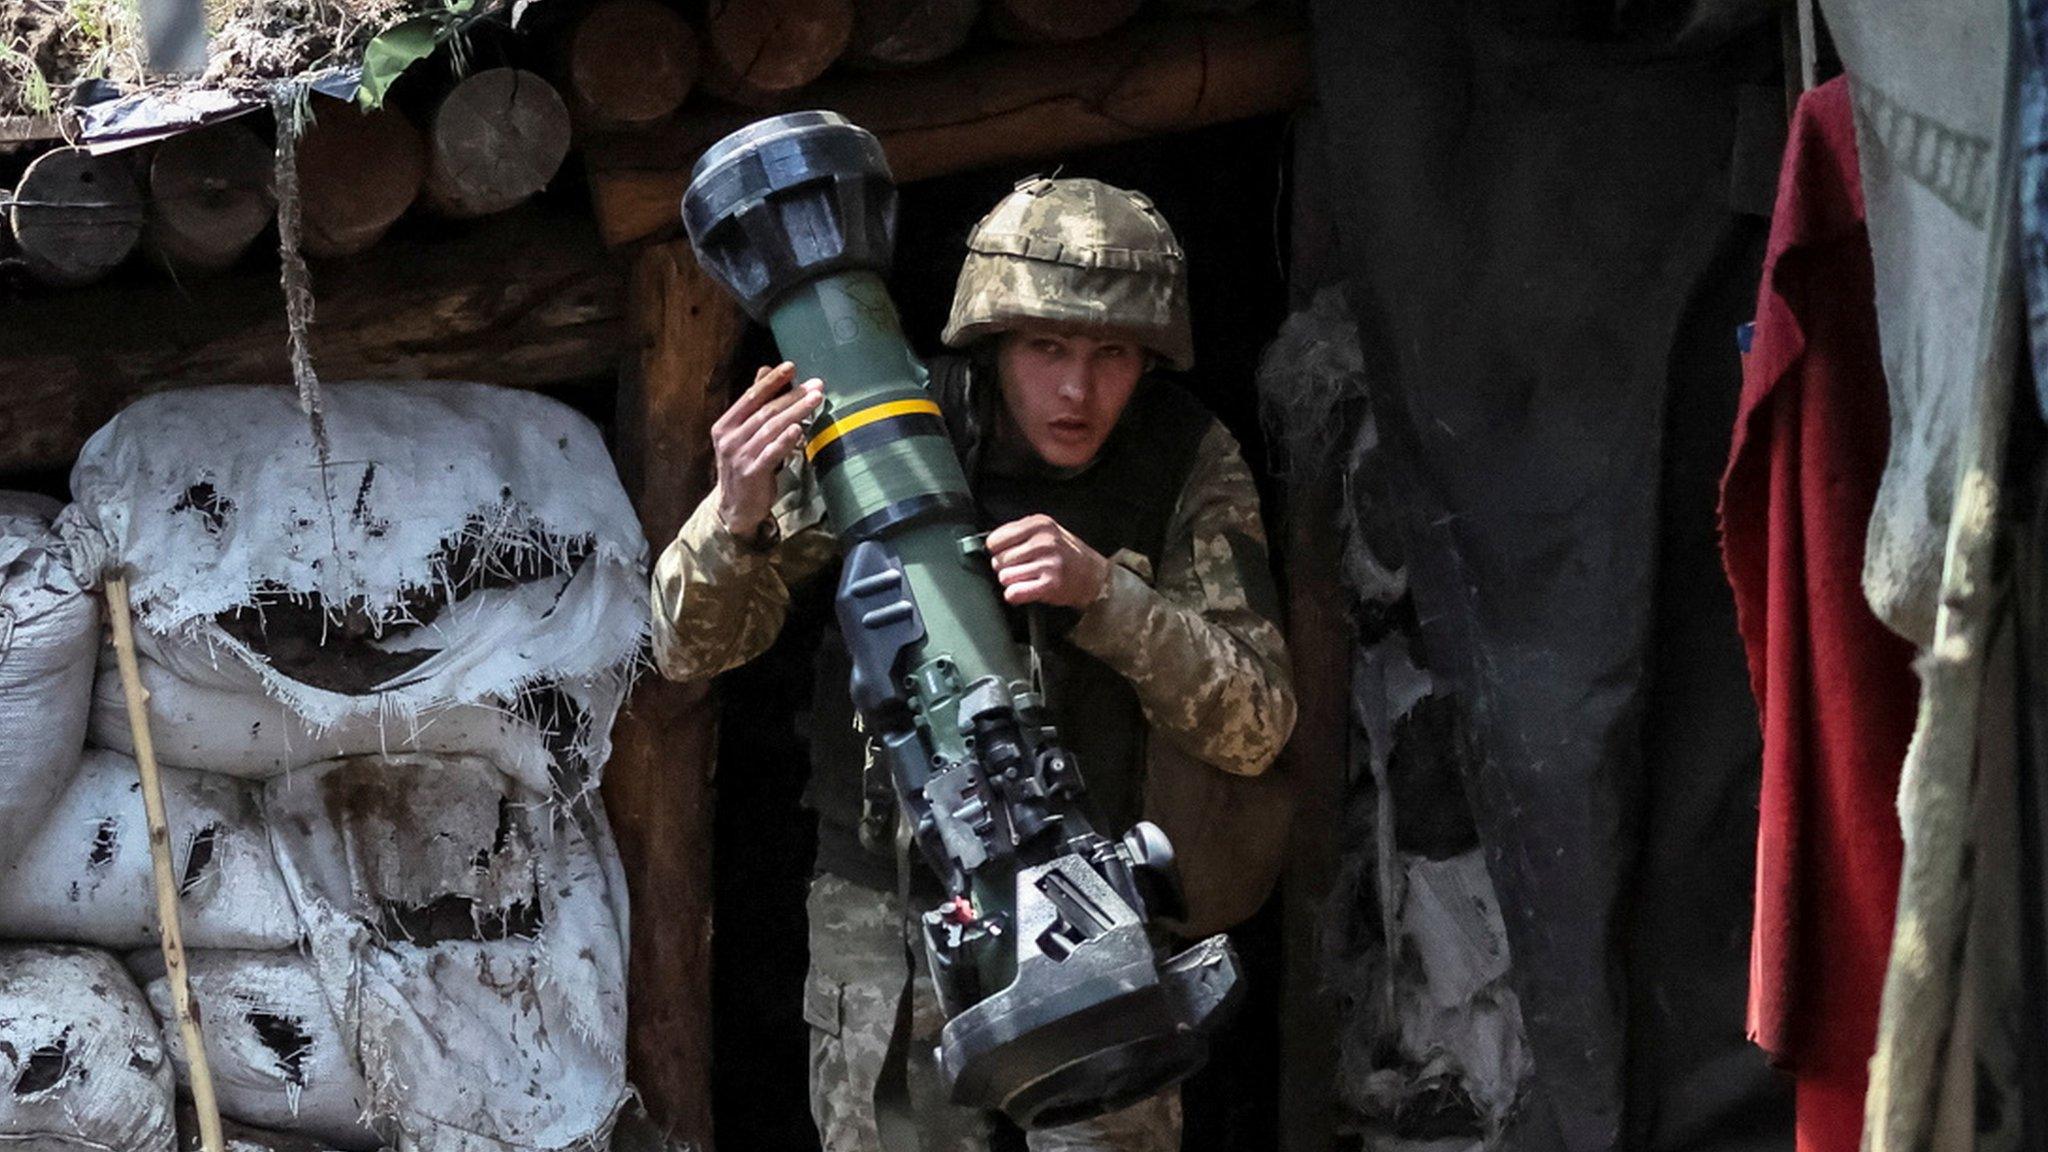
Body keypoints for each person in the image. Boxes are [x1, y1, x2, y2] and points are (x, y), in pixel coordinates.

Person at [651, 176, 1297, 1152]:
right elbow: (687, 648)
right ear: (993, 338)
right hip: (889, 904)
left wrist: (1104, 598)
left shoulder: (1182, 461)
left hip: (1097, 908)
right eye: (1046, 349)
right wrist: (734, 516)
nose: (1076, 391)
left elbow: (1256, 723)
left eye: (1110, 354)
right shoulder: (895, 425)